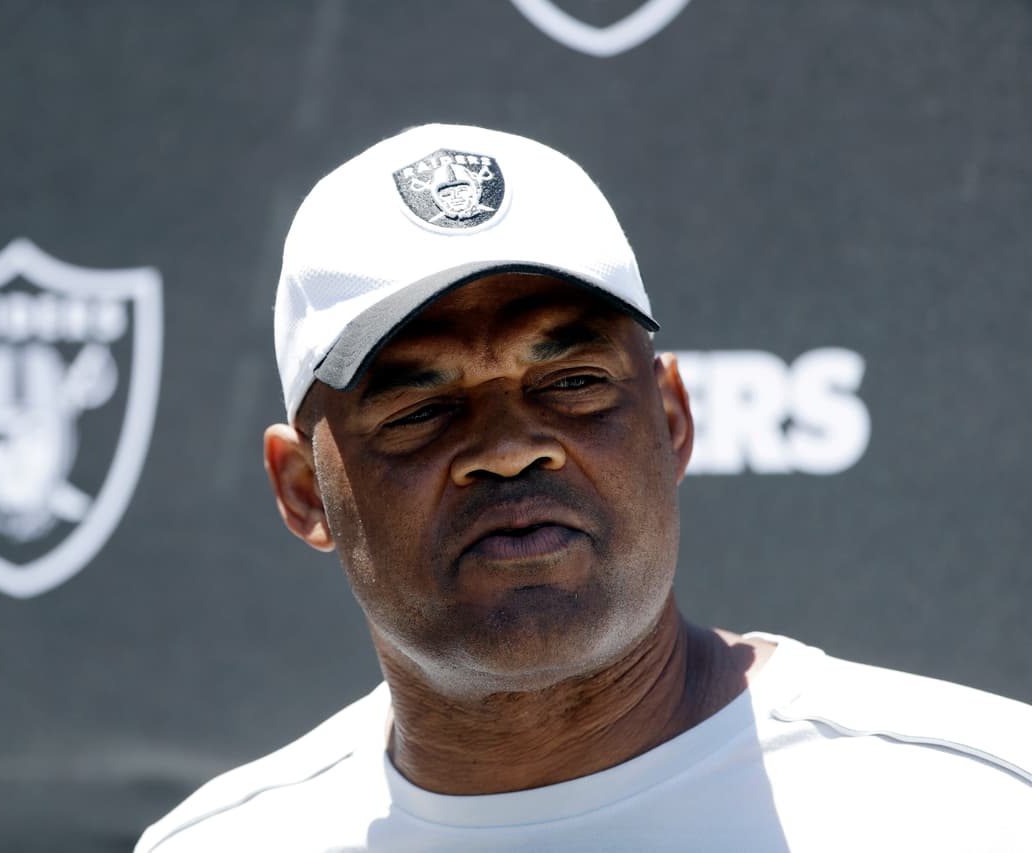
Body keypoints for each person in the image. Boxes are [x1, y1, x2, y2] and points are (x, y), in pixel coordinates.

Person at [137, 124, 1032, 851]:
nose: (510, 447)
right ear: (303, 491)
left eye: (571, 382)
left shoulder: (982, 804)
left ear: (673, 418)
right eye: (422, 407)